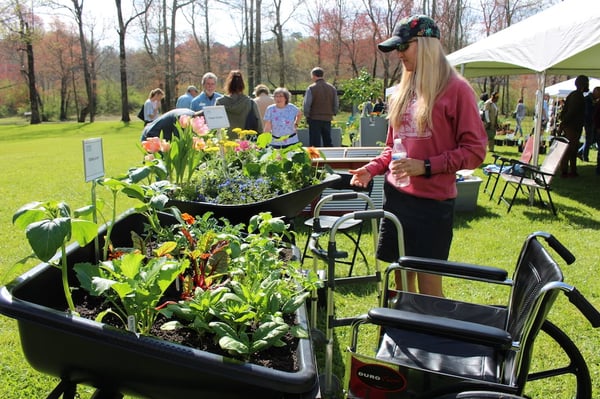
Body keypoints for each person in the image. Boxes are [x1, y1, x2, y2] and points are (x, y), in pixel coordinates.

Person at [348, 15, 487, 297]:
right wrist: (372, 168)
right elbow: (393, 147)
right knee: (399, 278)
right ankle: (404, 335)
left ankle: (429, 338)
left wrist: (425, 166)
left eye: (404, 47)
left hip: (432, 204)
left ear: (425, 45)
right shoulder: (403, 91)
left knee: (428, 288)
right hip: (396, 198)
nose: (399, 55)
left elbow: (475, 152)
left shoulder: (456, 90)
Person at [216, 70, 263, 138]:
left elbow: (215, 125)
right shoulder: (250, 103)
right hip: (245, 143)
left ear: (228, 84)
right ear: (242, 84)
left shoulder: (219, 102)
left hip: (225, 142)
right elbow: (259, 127)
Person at [559, 74, 588, 177]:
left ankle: (572, 170)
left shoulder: (574, 95)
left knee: (573, 149)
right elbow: (571, 112)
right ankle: (565, 170)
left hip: (572, 126)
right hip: (572, 127)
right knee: (569, 149)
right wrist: (564, 123)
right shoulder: (577, 96)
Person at [302, 67, 339, 147]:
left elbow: (307, 104)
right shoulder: (332, 88)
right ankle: (330, 157)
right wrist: (334, 112)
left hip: (314, 118)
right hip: (327, 117)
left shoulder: (311, 88)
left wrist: (307, 115)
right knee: (328, 140)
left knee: (315, 142)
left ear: (314, 75)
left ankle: (315, 158)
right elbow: (336, 103)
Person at [578, 88, 594, 162]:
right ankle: (584, 155)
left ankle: (580, 152)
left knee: (591, 140)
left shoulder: (589, 99)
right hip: (588, 122)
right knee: (589, 140)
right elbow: (588, 113)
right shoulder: (588, 100)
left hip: (590, 122)